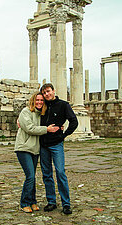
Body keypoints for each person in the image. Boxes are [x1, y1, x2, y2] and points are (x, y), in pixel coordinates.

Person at [14, 91, 60, 213]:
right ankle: (24, 203)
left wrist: (60, 127)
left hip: (35, 149)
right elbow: (30, 128)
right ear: (33, 101)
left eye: (41, 100)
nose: (39, 102)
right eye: (37, 100)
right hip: (23, 148)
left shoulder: (41, 114)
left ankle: (32, 201)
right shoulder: (25, 112)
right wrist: (47, 129)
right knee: (30, 176)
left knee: (32, 176)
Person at [39, 83, 78, 215]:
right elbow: (30, 114)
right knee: (47, 174)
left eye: (48, 91)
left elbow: (74, 121)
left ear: (53, 91)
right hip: (43, 144)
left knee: (60, 172)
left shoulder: (63, 105)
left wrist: (64, 134)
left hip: (56, 144)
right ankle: (51, 201)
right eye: (44, 93)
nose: (47, 94)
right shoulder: (42, 106)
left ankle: (66, 204)